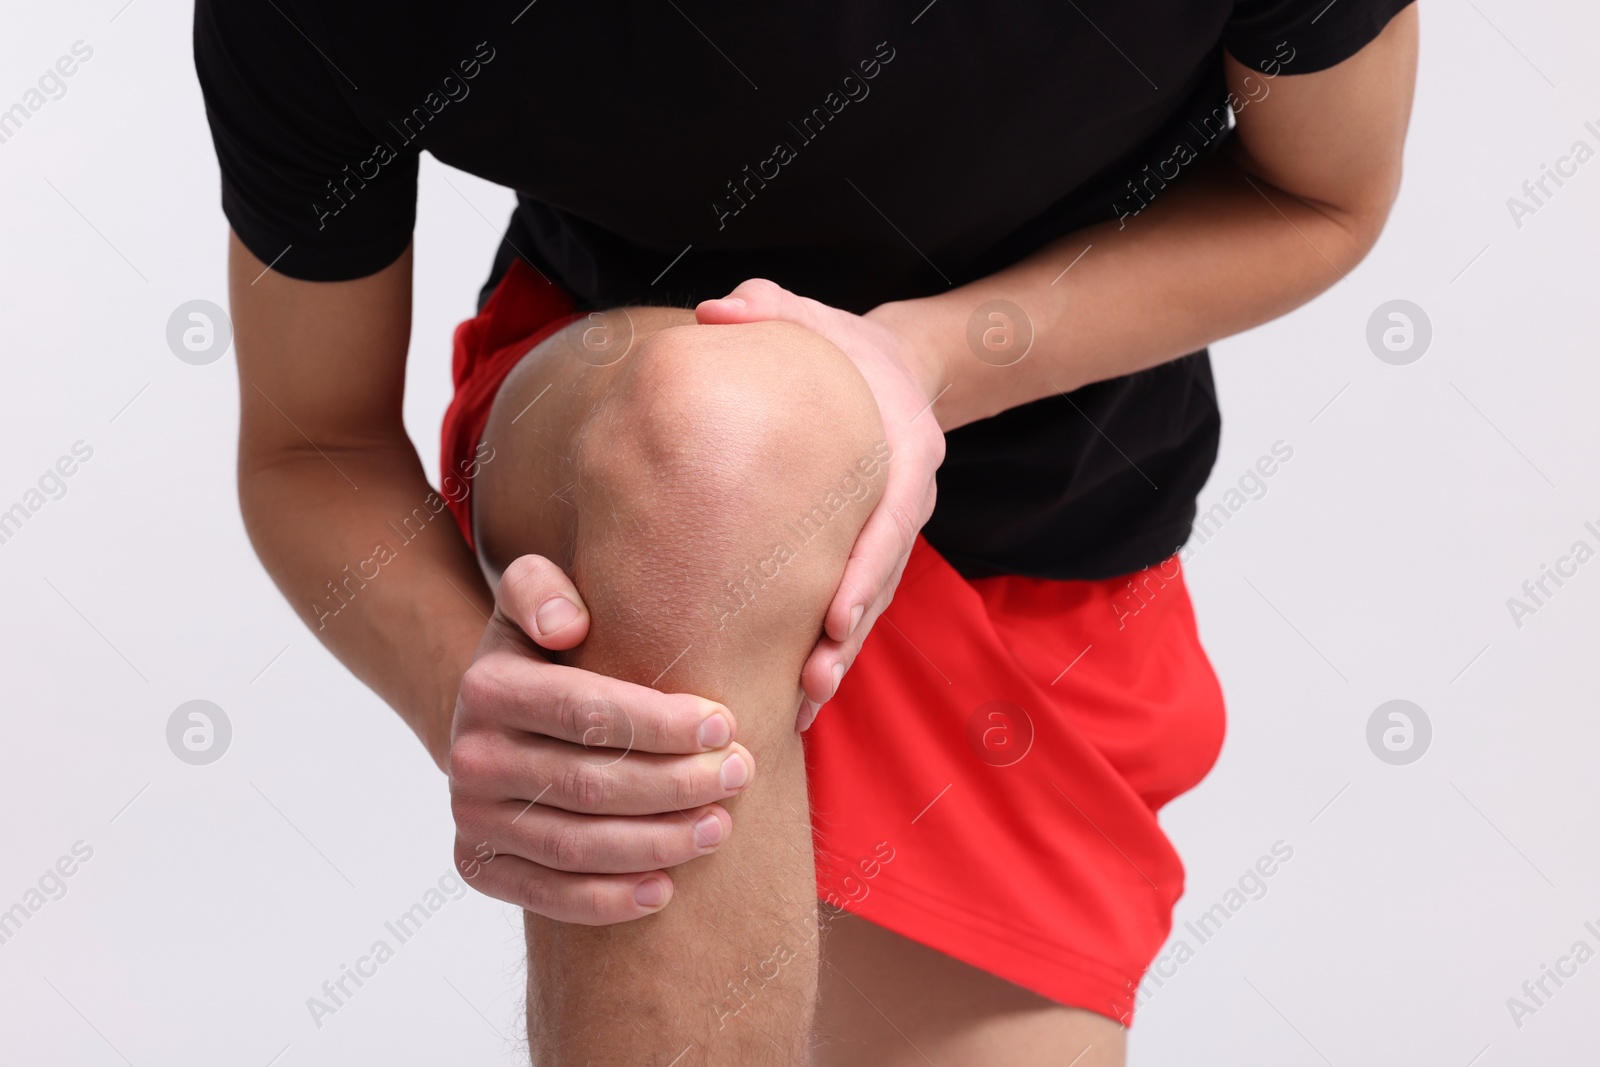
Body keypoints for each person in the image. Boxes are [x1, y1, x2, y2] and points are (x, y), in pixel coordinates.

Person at [194, 1, 1417, 1062]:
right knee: (723, 439)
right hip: (618, 415)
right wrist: (482, 701)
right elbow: (315, 443)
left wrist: (924, 360)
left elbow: (1317, 196)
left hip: (1044, 537)